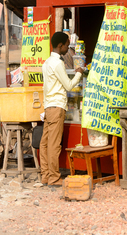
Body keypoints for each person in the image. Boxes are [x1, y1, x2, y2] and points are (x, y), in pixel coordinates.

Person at [41, 32, 84, 187]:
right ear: (60, 46)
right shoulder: (57, 63)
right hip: (57, 106)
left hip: (48, 106)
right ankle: (54, 178)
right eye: (66, 44)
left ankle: (45, 175)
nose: (67, 47)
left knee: (45, 143)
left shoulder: (46, 63)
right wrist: (78, 74)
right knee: (54, 144)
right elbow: (68, 85)